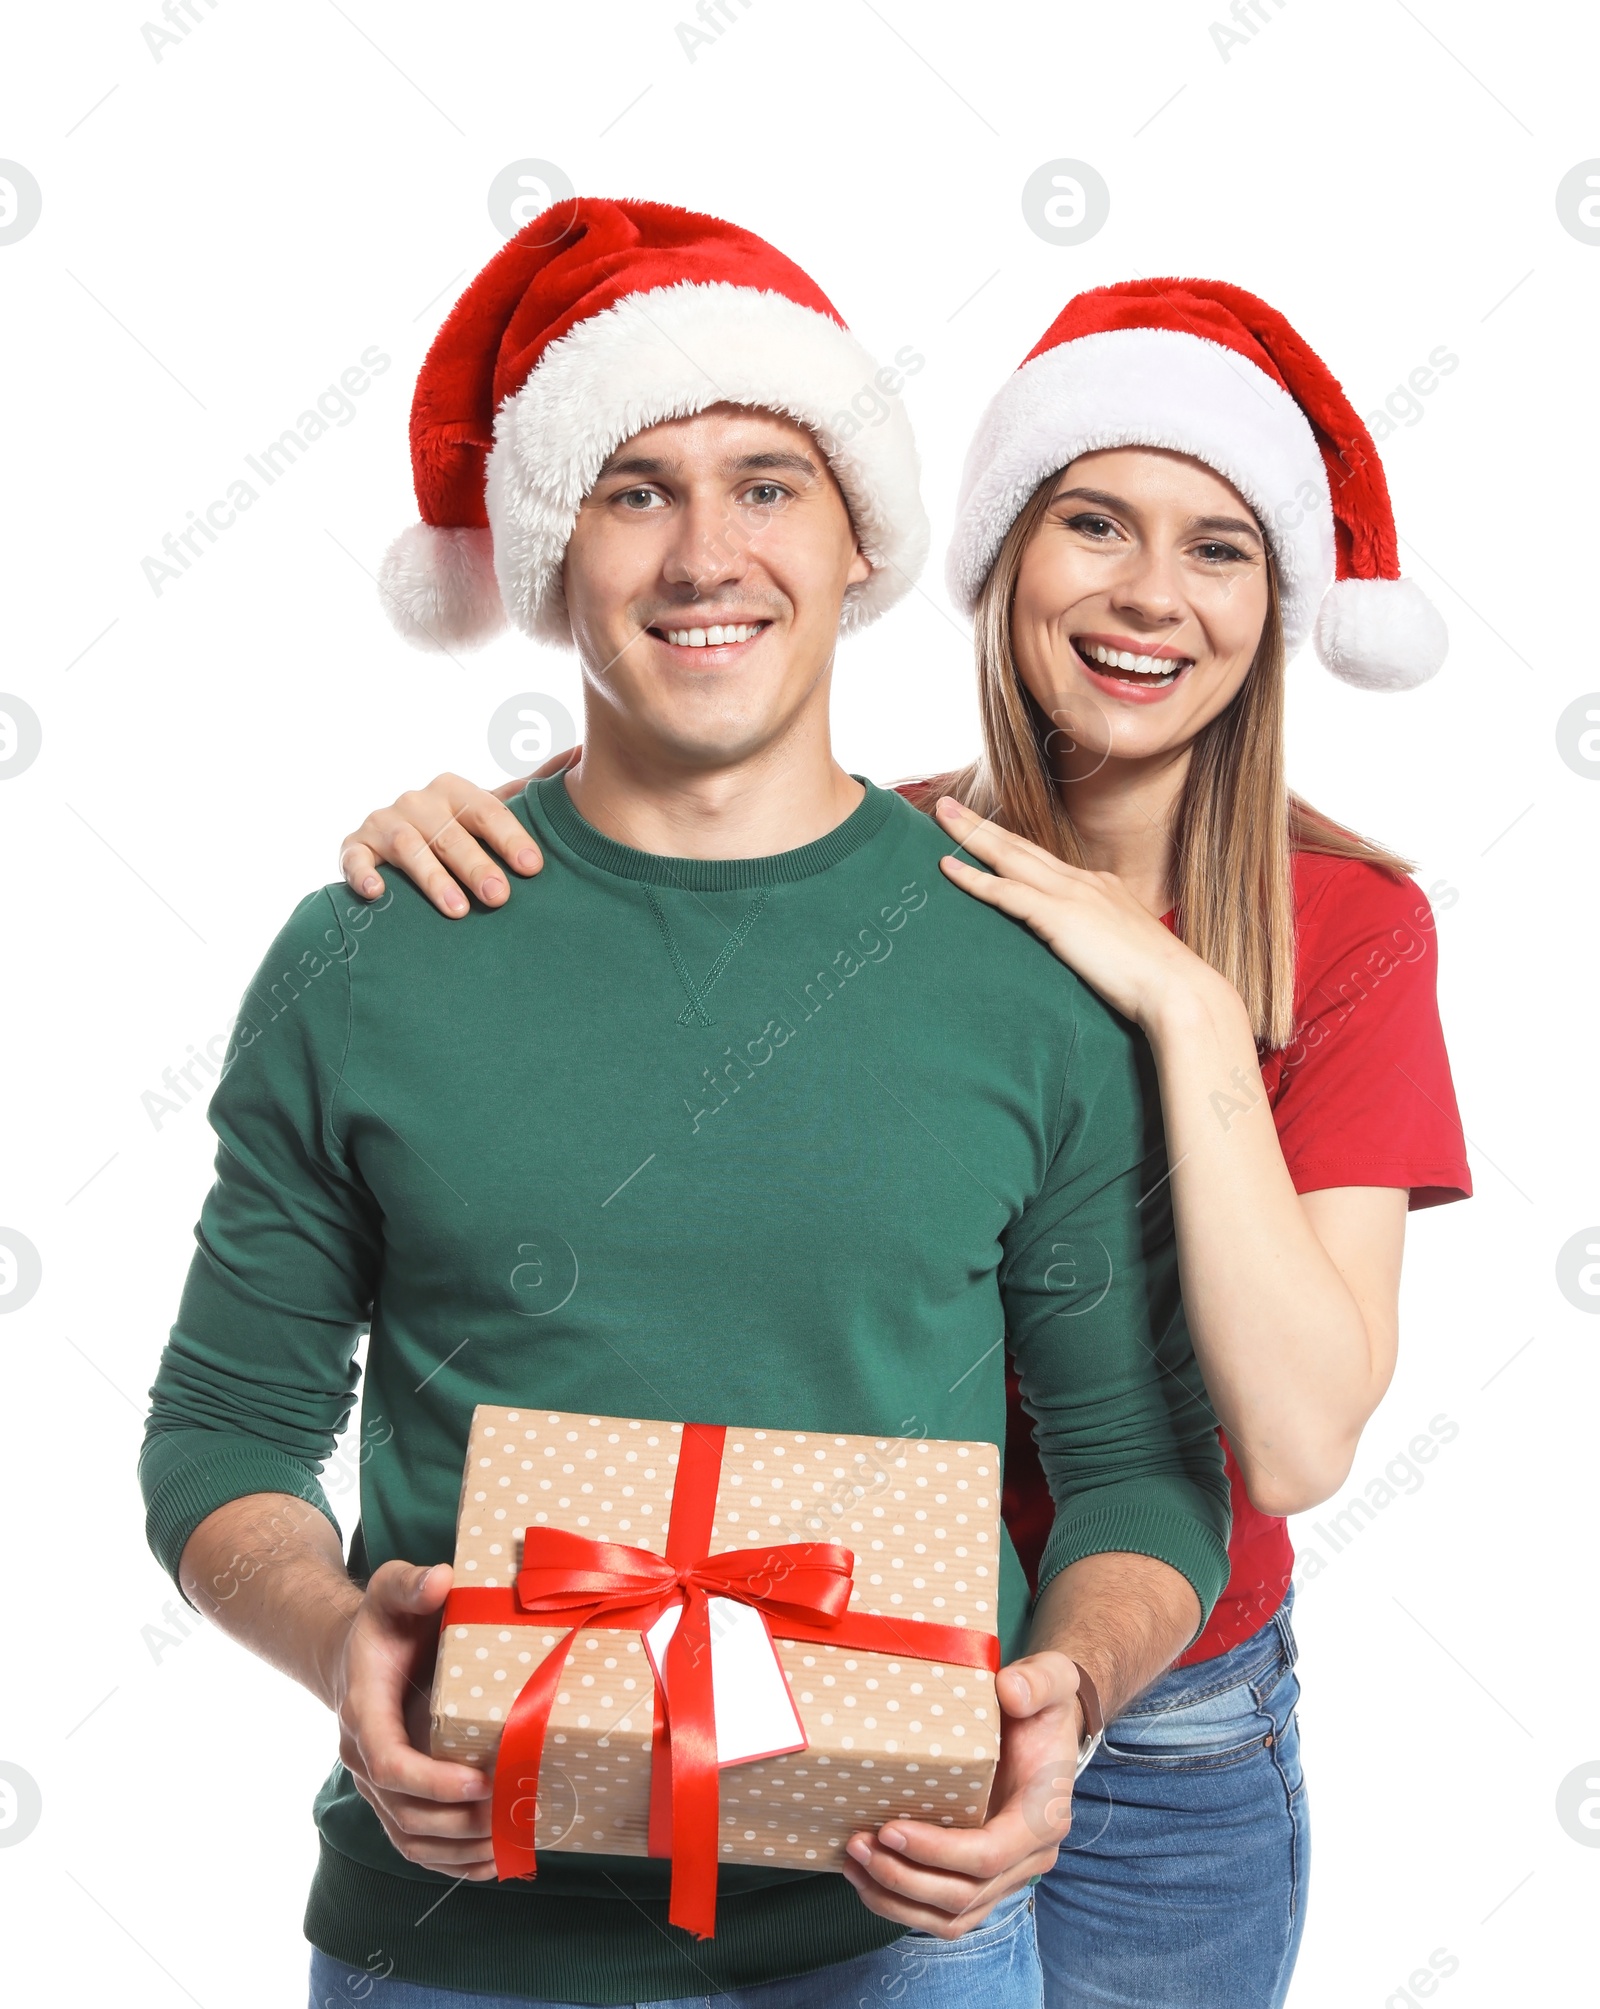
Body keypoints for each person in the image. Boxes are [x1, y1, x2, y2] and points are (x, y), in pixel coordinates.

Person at [140, 203, 1234, 2009]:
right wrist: (345, 1643)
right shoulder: (371, 956)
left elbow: (1138, 1477)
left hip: (902, 1934)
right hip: (452, 1935)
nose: (704, 553)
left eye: (767, 485)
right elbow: (217, 1433)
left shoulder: (1027, 968)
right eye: (634, 489)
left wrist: (1068, 1699)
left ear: (858, 534)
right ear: (552, 551)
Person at [338, 277, 1471, 2008]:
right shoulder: (892, 870)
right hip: (832, 1680)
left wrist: (1179, 1003)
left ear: (1281, 600)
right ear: (1000, 560)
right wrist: (449, 840)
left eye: (1220, 547)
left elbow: (1304, 1436)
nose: (1150, 595)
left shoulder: (1352, 925)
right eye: (1093, 523)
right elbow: (642, 863)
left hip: (1162, 1734)